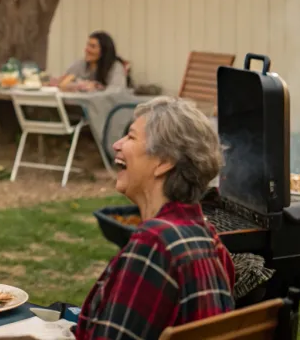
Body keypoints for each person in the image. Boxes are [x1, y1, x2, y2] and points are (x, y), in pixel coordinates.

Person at [74, 96, 235, 340]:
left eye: (130, 136)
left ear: (163, 162)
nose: (117, 144)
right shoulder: (208, 236)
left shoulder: (155, 243)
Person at [57, 31, 129, 92]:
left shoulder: (115, 67)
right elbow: (62, 84)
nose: (87, 50)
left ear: (104, 51)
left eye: (93, 46)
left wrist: (97, 87)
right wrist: (81, 86)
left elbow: (116, 91)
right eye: (87, 45)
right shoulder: (79, 64)